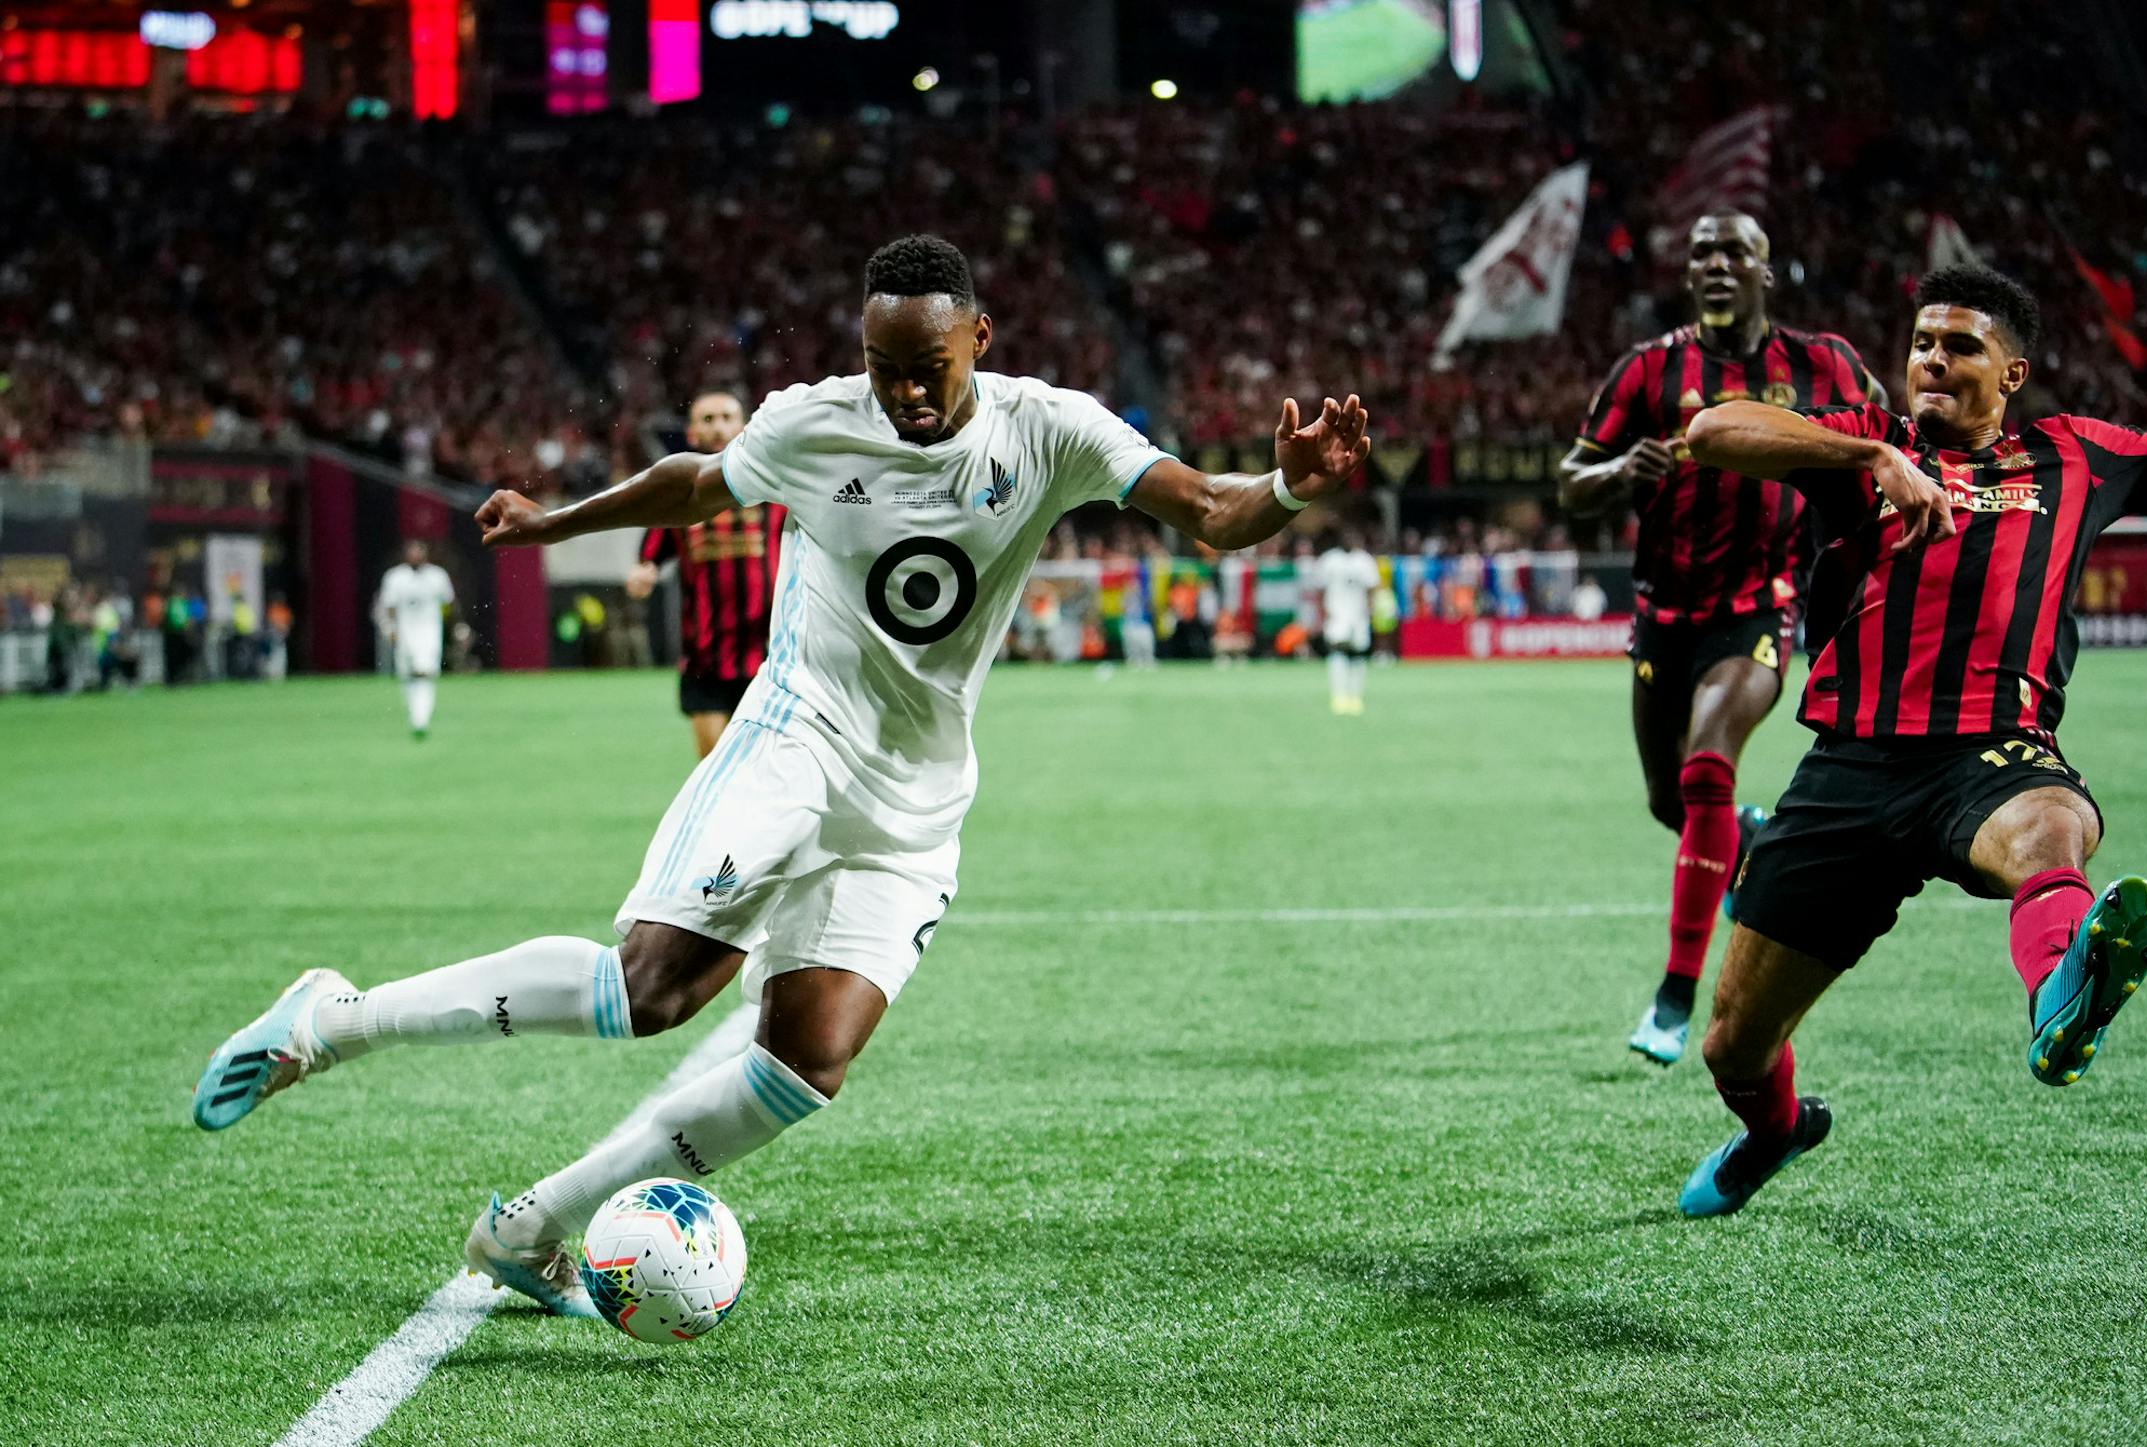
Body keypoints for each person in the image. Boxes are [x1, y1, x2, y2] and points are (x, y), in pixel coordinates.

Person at [190, 234, 1370, 1314]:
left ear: (981, 342)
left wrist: (1292, 490)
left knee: (808, 1062)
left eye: (930, 368)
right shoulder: (815, 422)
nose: (905, 391)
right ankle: (333, 1020)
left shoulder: (1048, 427)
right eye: (883, 363)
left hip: (916, 802)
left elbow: (1213, 511)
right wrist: (557, 526)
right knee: (646, 991)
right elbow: (693, 483)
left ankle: (533, 1227)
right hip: (793, 743)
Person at [1673, 264, 2147, 1217]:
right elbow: (1710, 429)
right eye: (1923, 343)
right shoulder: (1866, 440)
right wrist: (1867, 464)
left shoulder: (2079, 457)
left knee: (2050, 823)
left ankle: (2062, 990)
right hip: (1849, 767)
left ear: (2012, 374)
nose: (1933, 360)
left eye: (1961, 345)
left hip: (1990, 748)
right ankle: (1776, 1129)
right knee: (1733, 1043)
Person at [1557, 210, 1887, 1067]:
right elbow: (1570, 484)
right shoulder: (1650, 368)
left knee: (1708, 763)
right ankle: (1753, 843)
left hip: (1762, 606)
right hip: (1663, 612)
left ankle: (1673, 998)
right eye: (1701, 250)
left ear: (1766, 273)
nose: (1714, 263)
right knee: (1674, 803)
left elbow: (1892, 442)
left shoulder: (1824, 365)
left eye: (1734, 250)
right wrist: (1618, 471)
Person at [626, 390, 789, 758]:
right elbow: (649, 555)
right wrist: (643, 572)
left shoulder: (775, 489)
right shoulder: (679, 498)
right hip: (706, 657)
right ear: (691, 434)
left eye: (727, 417)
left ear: (745, 426)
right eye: (708, 419)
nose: (719, 427)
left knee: (766, 766)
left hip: (769, 657)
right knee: (715, 766)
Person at [374, 540, 457, 739]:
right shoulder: (395, 577)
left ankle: (421, 720)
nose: (415, 556)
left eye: (418, 552)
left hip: (428, 632)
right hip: (405, 633)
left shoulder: (437, 576)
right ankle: (416, 716)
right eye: (411, 552)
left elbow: (448, 603)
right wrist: (390, 628)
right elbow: (390, 606)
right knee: (407, 677)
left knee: (424, 673)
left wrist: (449, 625)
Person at [1314, 527, 1382, 714]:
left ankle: (1355, 696)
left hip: (1358, 615)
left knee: (1358, 655)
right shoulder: (1329, 560)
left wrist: (1370, 611)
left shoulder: (1364, 561)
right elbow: (1320, 589)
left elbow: (1371, 589)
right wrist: (1323, 612)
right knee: (1337, 652)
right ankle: (1338, 696)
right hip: (1336, 614)